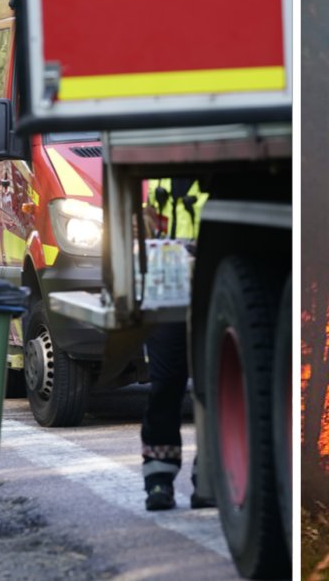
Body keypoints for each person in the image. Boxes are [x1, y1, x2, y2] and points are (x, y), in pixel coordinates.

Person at [140, 177, 214, 511]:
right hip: (167, 280)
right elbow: (146, 220)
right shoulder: (160, 175)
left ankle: (210, 476)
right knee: (165, 382)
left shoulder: (219, 173)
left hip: (212, 279)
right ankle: (159, 479)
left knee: (213, 383)